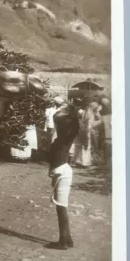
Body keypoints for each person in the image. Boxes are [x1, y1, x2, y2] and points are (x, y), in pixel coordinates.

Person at [46, 103, 80, 250]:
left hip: (63, 173)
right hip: (60, 172)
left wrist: (71, 112)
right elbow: (57, 119)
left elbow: (59, 119)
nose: (57, 126)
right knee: (61, 208)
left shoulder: (66, 138)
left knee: (61, 208)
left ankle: (63, 242)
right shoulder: (60, 139)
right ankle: (68, 239)